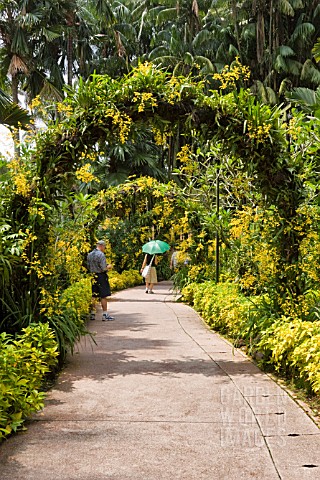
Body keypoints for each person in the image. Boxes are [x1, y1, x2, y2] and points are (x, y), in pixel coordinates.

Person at [87, 240, 114, 321]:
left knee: (94, 295)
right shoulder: (101, 255)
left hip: (93, 276)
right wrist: (109, 266)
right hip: (101, 276)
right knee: (103, 295)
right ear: (101, 246)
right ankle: (105, 314)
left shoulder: (90, 254)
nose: (104, 248)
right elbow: (103, 268)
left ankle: (92, 313)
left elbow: (88, 266)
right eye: (104, 247)